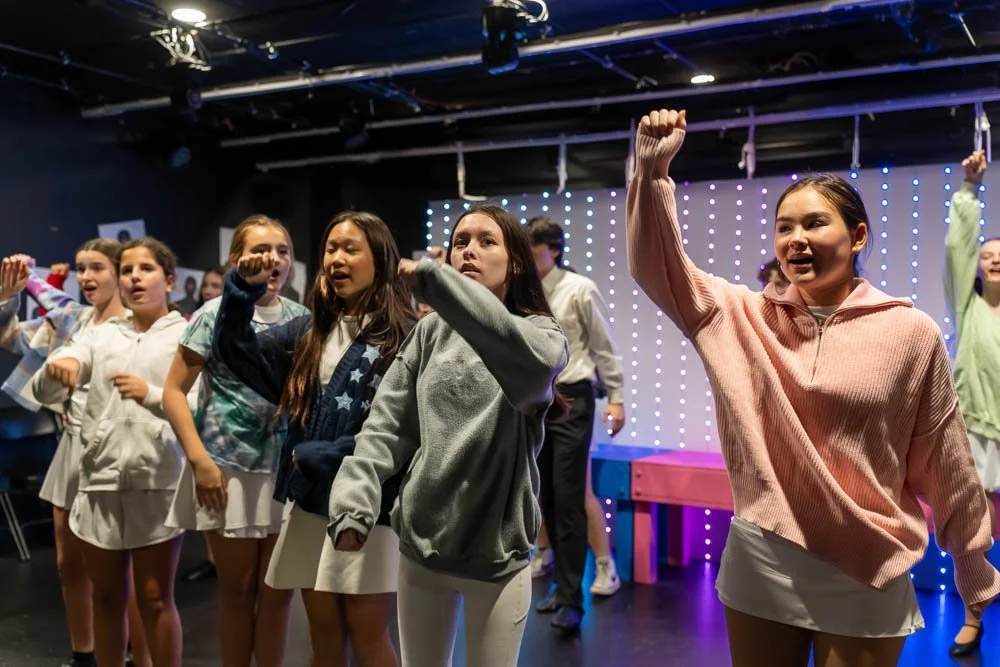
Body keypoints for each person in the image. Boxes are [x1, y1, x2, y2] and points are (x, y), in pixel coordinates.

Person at [627, 108, 1000, 667]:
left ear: (858, 236)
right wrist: (652, 173)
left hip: (870, 563)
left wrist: (971, 560)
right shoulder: (736, 316)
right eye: (784, 227)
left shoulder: (909, 331)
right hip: (763, 557)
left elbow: (945, 456)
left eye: (814, 224)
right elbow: (657, 265)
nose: (795, 239)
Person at [328, 205, 568, 667]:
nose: (469, 252)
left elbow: (531, 361)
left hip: (497, 554)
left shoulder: (540, 335)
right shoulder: (430, 333)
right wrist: (354, 500)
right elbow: (386, 426)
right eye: (461, 242)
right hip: (423, 547)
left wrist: (439, 282)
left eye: (486, 241)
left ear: (517, 263)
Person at [212, 211, 414, 667]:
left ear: (380, 259)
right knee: (323, 632)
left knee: (367, 632)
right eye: (330, 249)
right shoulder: (309, 331)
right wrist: (242, 292)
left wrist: (329, 454)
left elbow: (405, 429)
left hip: (370, 504)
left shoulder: (404, 335)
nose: (336, 259)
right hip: (310, 504)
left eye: (350, 249)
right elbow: (237, 353)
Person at [31, 237, 191, 667]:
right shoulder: (98, 335)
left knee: (155, 598)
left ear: (169, 281)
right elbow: (47, 386)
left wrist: (151, 394)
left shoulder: (185, 337)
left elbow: (200, 407)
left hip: (157, 481)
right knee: (105, 597)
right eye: (127, 271)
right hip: (98, 482)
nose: (135, 278)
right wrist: (57, 368)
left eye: (146, 269)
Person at [163, 216, 308, 667]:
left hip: (285, 473)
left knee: (278, 593)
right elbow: (173, 392)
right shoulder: (213, 314)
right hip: (227, 470)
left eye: (282, 250)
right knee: (237, 592)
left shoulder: (302, 319)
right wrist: (199, 461)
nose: (273, 259)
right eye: (261, 250)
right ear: (236, 259)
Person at [0, 246, 153, 667]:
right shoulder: (71, 319)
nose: (86, 277)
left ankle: (136, 654)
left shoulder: (139, 325)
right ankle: (84, 653)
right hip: (73, 448)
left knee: (128, 568)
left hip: (122, 451)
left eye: (97, 268)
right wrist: (7, 298)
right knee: (70, 562)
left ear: (120, 273)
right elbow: (12, 338)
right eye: (82, 269)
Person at [525, 216, 625, 631]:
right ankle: (559, 588)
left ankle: (571, 597)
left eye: (534, 247)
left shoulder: (579, 288)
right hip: (536, 401)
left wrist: (616, 397)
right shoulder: (525, 292)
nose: (527, 254)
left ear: (553, 249)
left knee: (569, 498)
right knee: (545, 495)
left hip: (572, 398)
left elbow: (604, 346)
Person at [944, 148, 999, 657]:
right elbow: (959, 247)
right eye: (987, 255)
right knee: (975, 532)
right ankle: (973, 618)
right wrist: (969, 189)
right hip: (979, 432)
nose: (994, 259)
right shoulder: (968, 307)